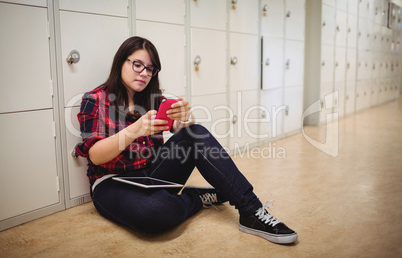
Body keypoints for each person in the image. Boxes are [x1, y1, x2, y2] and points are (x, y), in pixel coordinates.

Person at [74, 36, 298, 244]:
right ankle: (198, 198)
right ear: (120, 62)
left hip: (151, 172)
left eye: (150, 68)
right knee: (157, 215)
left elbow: (183, 132)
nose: (143, 72)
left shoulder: (155, 99)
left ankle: (252, 211)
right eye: (137, 64)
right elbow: (95, 155)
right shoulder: (94, 99)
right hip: (112, 182)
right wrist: (136, 129)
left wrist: (185, 119)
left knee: (195, 132)